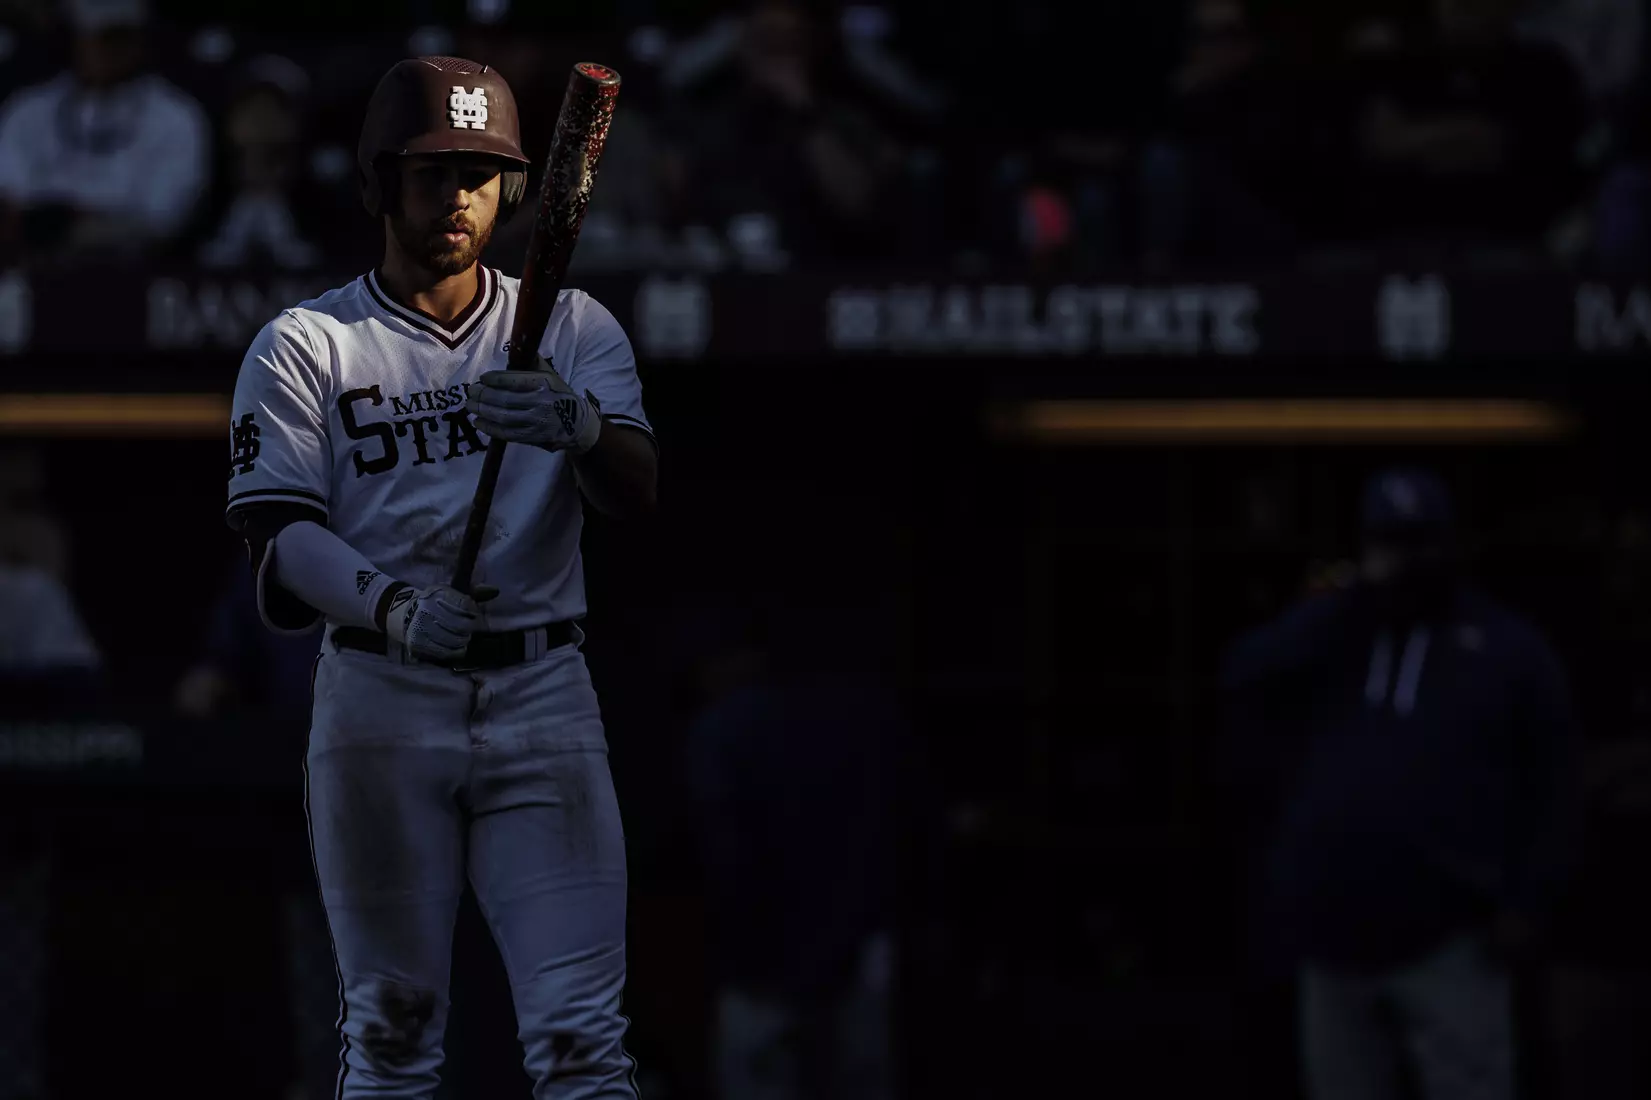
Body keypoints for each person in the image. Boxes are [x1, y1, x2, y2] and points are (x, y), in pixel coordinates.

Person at [223, 55, 657, 1099]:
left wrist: (579, 423)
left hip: (542, 690)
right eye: (432, 171)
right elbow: (278, 531)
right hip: (381, 687)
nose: (458, 196)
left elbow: (635, 485)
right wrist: (395, 603)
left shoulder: (570, 325)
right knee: (391, 1029)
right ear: (378, 183)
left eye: (480, 172)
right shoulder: (308, 342)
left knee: (579, 1040)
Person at [1219, 466, 1578, 1100]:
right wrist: (1348, 600)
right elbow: (1244, 676)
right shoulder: (1335, 633)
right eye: (1389, 541)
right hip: (1330, 934)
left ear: (1451, 543)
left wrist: (1528, 901)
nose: (1406, 560)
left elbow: (1552, 784)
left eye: (1420, 540)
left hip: (1453, 935)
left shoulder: (1506, 647)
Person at [680, 608, 898, 1100]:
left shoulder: (723, 732)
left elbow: (728, 859)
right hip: (855, 952)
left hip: (767, 966)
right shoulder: (865, 716)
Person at [0, 0, 209, 264]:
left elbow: (164, 220)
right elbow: (11, 205)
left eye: (116, 38)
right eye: (93, 37)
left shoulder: (176, 116)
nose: (103, 50)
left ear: (139, 41)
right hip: (34, 268)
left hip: (133, 272)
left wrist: (81, 228)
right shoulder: (28, 111)